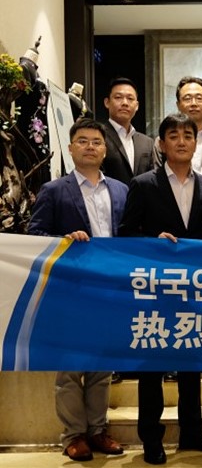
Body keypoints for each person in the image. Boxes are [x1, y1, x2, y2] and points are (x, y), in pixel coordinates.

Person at [118, 113, 202, 465]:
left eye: (188, 135)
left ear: (196, 143)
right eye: (174, 135)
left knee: (191, 364)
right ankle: (152, 437)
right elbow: (126, 233)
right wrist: (153, 240)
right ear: (161, 145)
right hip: (154, 291)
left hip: (195, 290)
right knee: (152, 368)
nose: (181, 141)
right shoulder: (143, 184)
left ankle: (193, 431)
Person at [28, 118, 126, 462]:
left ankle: (98, 431)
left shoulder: (121, 190)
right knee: (70, 368)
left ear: (105, 150)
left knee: (102, 367)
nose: (90, 147)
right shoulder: (54, 190)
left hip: (109, 290)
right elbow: (35, 235)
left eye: (96, 142)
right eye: (82, 141)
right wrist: (64, 241)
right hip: (70, 291)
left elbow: (131, 236)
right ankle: (73, 435)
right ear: (70, 148)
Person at [155, 76, 202, 180]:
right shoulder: (163, 141)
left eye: (199, 98)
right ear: (178, 105)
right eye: (187, 98)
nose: (194, 103)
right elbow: (156, 179)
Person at [101, 77, 156, 185]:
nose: (125, 103)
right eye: (118, 97)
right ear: (107, 102)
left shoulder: (147, 142)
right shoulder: (98, 136)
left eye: (130, 98)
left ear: (137, 106)